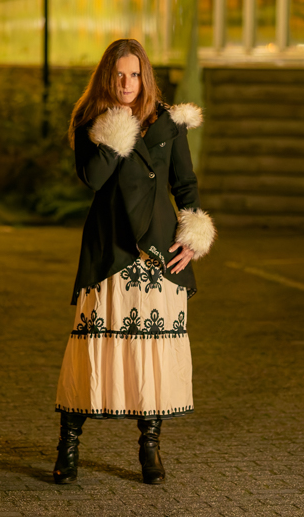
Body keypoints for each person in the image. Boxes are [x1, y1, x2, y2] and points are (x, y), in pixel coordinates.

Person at [53, 38, 216, 486]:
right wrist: (118, 129)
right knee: (92, 346)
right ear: (108, 77)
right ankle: (69, 444)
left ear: (146, 77)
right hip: (111, 248)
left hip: (158, 253)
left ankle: (150, 447)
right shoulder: (90, 121)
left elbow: (185, 184)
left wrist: (194, 234)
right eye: (120, 75)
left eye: (135, 74)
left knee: (152, 353)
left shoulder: (169, 123)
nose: (128, 83)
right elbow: (93, 178)